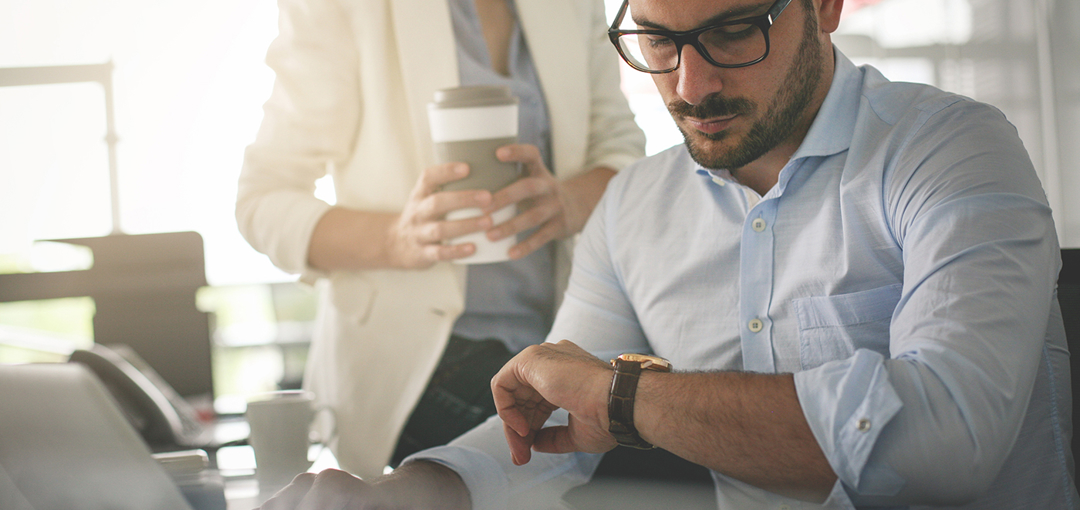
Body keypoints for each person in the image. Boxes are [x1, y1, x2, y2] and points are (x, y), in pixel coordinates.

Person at [257, 0, 1078, 507]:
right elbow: (550, 432)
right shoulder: (636, 207)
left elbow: (947, 443)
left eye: (731, 33)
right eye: (655, 40)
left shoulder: (953, 149)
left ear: (824, 5)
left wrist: (625, 400)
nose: (689, 85)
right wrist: (401, 494)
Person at [235, 0, 646, 480]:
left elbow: (622, 150)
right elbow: (262, 200)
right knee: (616, 470)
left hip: (559, 343)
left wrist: (570, 202)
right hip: (418, 364)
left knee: (662, 449)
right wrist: (395, 239)